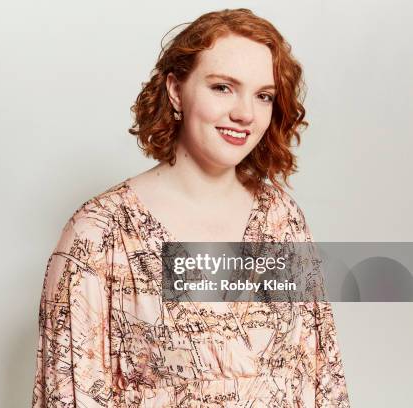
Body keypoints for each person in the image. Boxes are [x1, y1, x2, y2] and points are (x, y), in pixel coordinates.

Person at [32, 8, 350, 407]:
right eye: (222, 87)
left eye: (263, 95)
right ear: (175, 90)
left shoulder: (281, 219)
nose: (245, 114)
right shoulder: (100, 233)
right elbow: (70, 393)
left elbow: (322, 377)